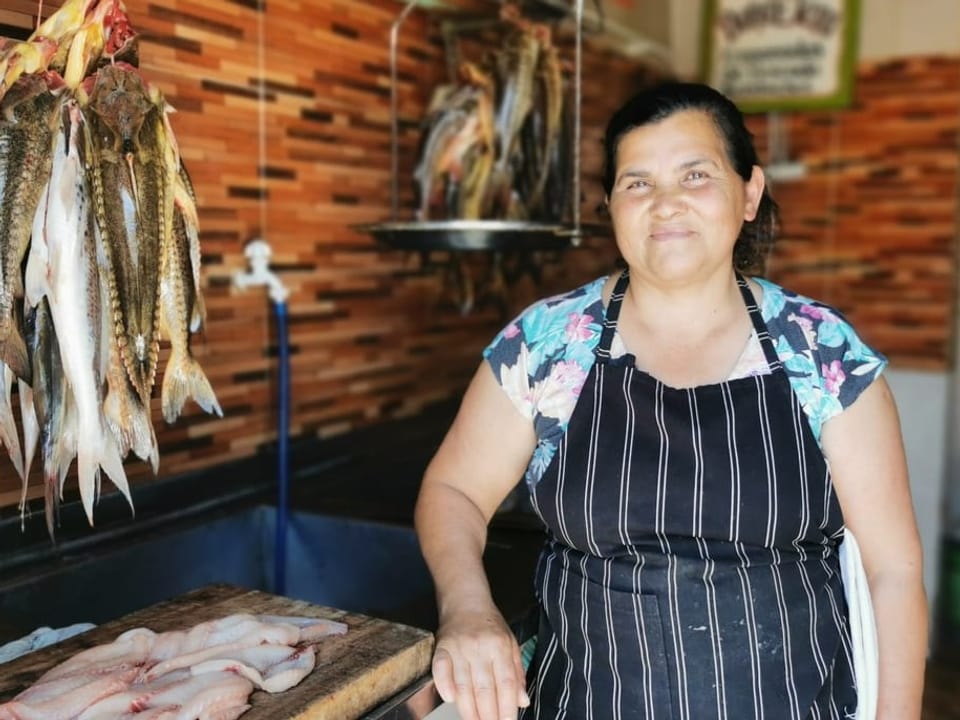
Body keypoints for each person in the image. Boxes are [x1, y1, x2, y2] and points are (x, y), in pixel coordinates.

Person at [414, 81, 927, 720]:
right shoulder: (548, 343)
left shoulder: (821, 351)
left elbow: (894, 570)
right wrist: (467, 608)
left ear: (749, 193)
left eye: (695, 175)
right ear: (610, 205)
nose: (666, 204)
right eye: (638, 182)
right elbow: (453, 490)